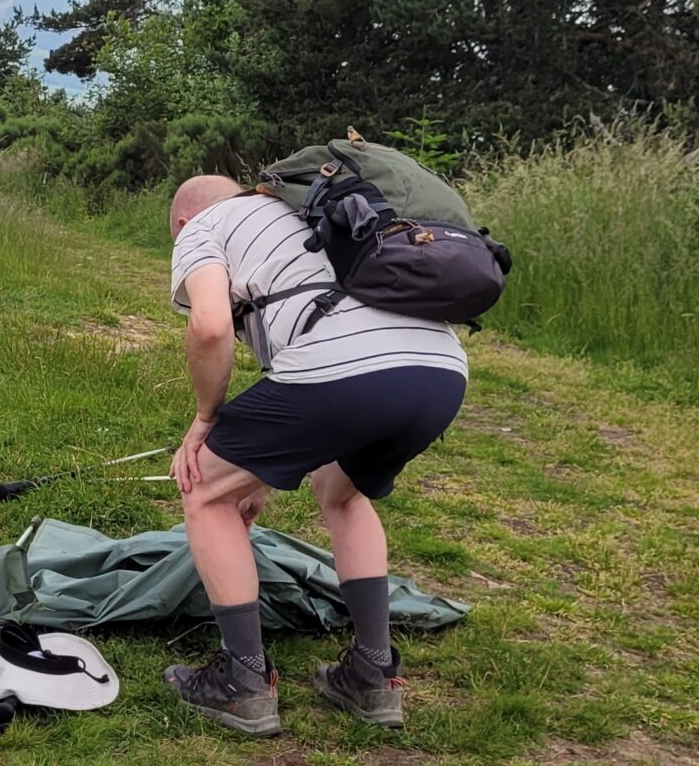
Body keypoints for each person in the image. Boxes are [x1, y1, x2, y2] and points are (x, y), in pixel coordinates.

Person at [159, 174, 469, 736]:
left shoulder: (202, 226)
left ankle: (242, 681)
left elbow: (209, 328)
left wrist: (206, 420)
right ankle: (372, 674)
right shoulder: (309, 214)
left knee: (204, 489)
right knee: (341, 492)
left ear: (181, 222)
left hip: (347, 367)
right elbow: (301, 387)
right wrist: (256, 476)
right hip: (441, 371)